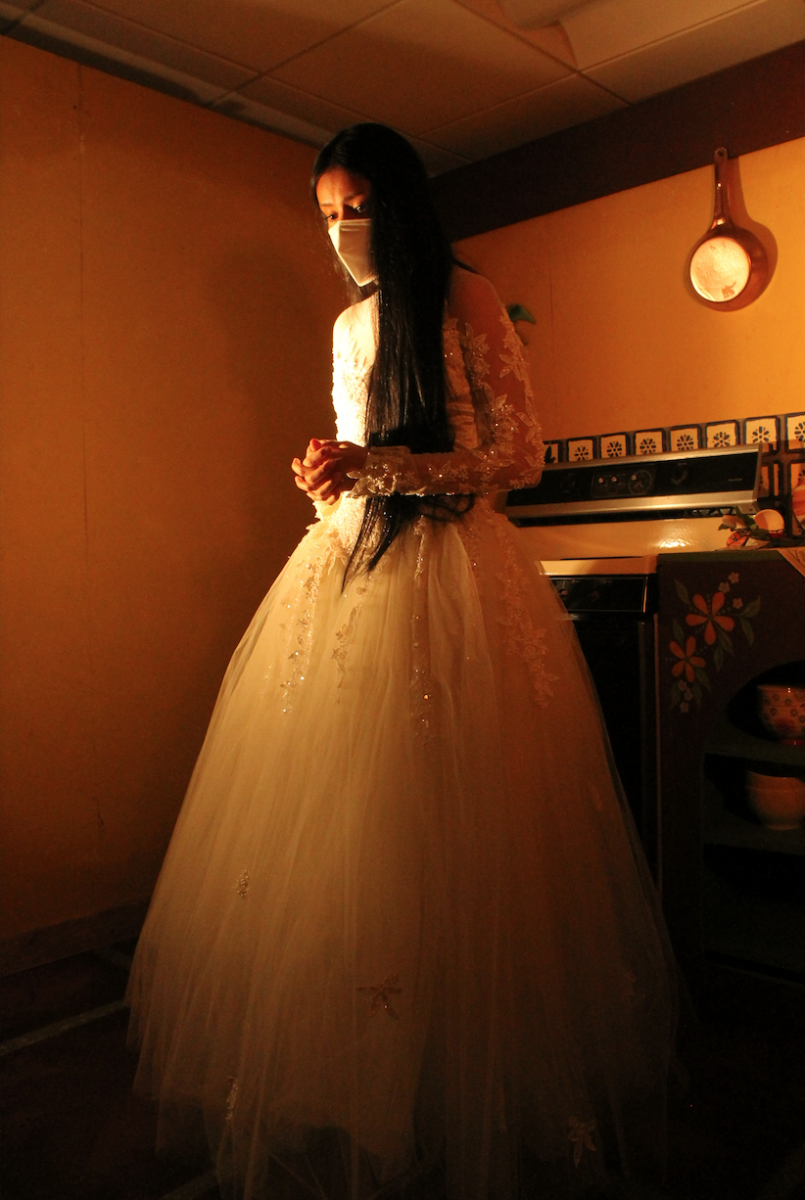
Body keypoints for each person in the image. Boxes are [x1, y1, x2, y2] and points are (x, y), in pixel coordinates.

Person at [127, 123, 676, 1200]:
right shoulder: (348, 325)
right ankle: (364, 1071)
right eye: (327, 215)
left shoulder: (464, 296)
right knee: (352, 814)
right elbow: (357, 451)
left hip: (457, 571)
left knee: (457, 815)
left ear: (401, 203)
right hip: (359, 564)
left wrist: (379, 466)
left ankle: (460, 1065)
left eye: (359, 209)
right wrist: (329, 473)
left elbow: (518, 455)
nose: (343, 232)